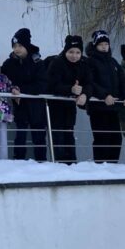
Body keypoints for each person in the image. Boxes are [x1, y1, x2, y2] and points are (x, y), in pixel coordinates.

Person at [1, 28, 48, 161]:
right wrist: (12, 88)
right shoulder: (9, 63)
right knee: (20, 136)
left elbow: (42, 85)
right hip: (19, 107)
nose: (17, 49)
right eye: (14, 46)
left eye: (20, 46)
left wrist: (21, 90)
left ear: (27, 46)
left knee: (39, 138)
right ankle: (18, 162)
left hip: (36, 107)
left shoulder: (38, 63)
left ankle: (42, 163)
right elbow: (2, 79)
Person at [85, 30, 125, 163]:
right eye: (101, 44)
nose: (104, 47)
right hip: (98, 108)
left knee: (116, 139)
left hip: (113, 108)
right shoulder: (90, 62)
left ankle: (113, 167)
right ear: (95, 45)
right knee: (102, 139)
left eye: (106, 44)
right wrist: (104, 95)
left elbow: (123, 81)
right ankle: (101, 167)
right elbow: (89, 82)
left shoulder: (113, 62)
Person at [46, 35, 93, 163]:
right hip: (56, 108)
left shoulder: (83, 64)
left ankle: (72, 166)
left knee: (69, 137)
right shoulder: (57, 63)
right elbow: (51, 85)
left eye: (78, 52)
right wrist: (70, 89)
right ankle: (61, 167)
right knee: (58, 139)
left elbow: (89, 83)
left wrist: (85, 94)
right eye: (71, 52)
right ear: (65, 51)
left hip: (70, 109)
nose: (74, 56)